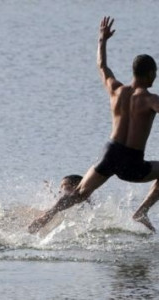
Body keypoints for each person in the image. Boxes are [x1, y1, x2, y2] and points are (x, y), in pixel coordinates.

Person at [28, 16, 159, 234]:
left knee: (79, 194)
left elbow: (102, 66)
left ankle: (45, 217)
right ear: (148, 73)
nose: (156, 76)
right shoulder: (151, 100)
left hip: (110, 152)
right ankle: (141, 212)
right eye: (155, 72)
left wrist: (102, 40)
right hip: (132, 162)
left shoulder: (116, 90)